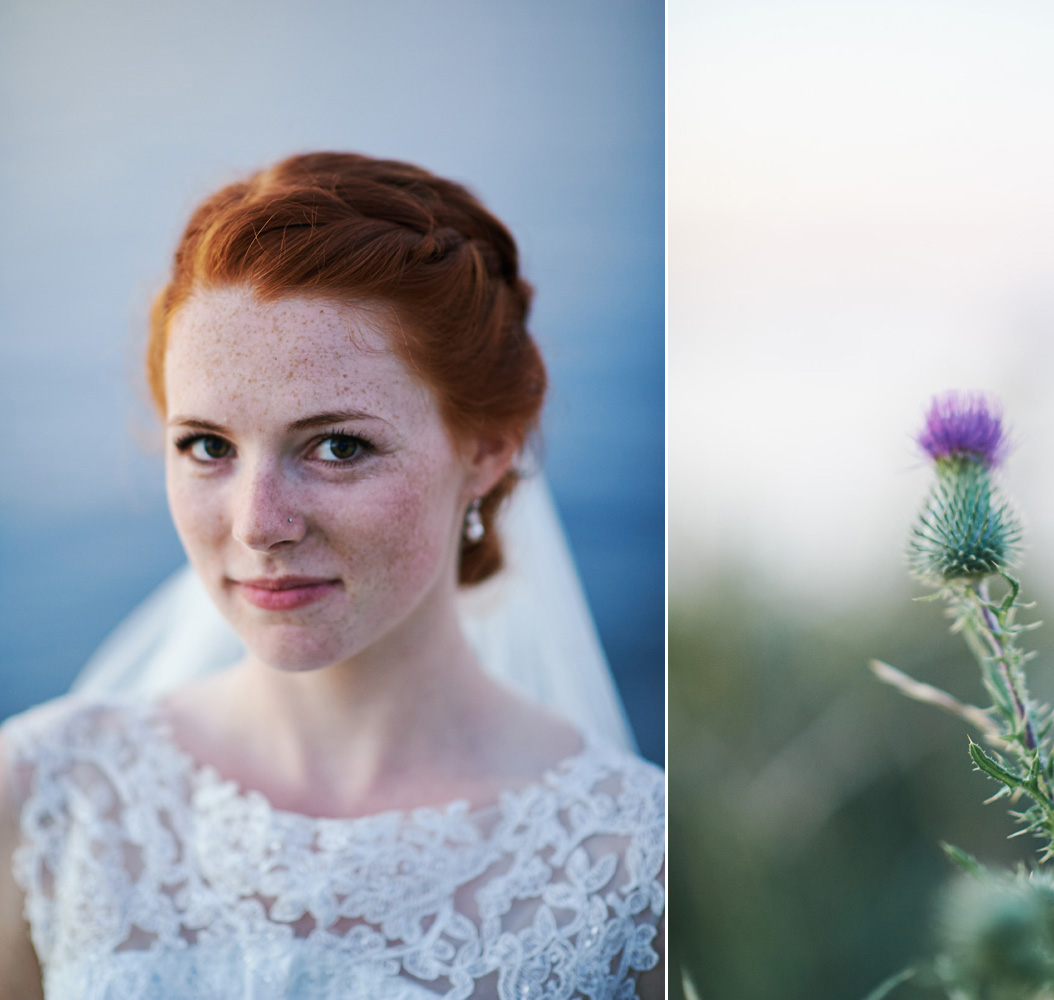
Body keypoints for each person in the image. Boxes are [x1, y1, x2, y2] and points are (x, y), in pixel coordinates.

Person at [0, 152, 664, 1000]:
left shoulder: (633, 869)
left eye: (338, 446)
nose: (257, 523)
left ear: (487, 449)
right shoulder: (43, 795)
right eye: (208, 446)